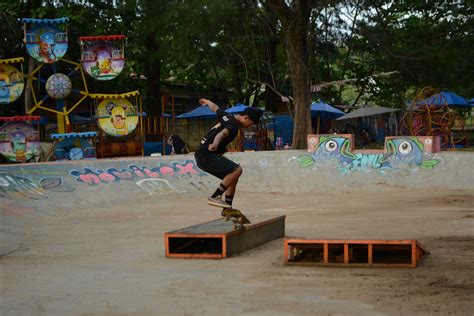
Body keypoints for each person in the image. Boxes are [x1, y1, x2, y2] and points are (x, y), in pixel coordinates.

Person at [194, 98, 263, 210]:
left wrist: (207, 101)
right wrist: (215, 144)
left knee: (233, 177)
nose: (249, 126)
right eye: (250, 123)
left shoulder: (227, 116)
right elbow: (223, 133)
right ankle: (215, 196)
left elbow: (215, 108)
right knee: (237, 170)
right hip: (206, 156)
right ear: (246, 117)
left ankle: (228, 209)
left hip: (203, 155)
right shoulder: (234, 125)